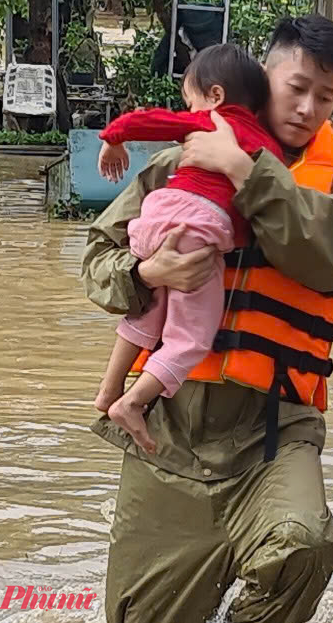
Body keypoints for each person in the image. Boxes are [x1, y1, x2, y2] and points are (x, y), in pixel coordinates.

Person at [82, 15, 333, 623]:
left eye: (327, 97)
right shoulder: (179, 159)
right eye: (296, 88)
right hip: (169, 438)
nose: (308, 109)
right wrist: (146, 274)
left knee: (307, 546)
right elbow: (97, 260)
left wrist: (246, 169)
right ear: (262, 78)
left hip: (273, 434)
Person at [93, 44, 284, 453]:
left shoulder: (200, 125)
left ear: (215, 97)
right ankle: (132, 402)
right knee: (191, 338)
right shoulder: (265, 146)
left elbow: (151, 120)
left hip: (153, 219)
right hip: (197, 229)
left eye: (189, 99)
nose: (190, 108)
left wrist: (113, 138)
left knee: (148, 313)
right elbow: (259, 209)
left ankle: (108, 389)